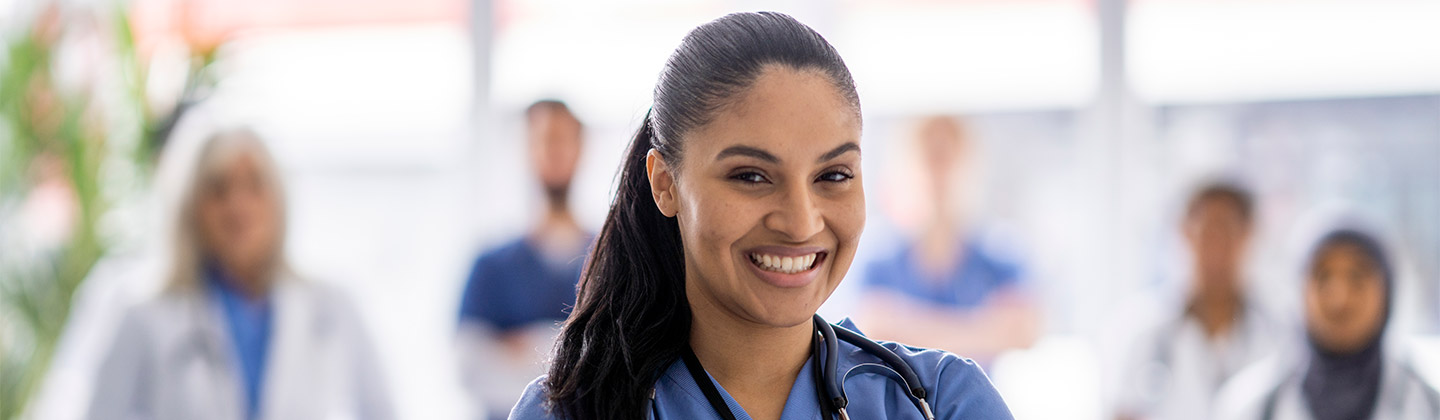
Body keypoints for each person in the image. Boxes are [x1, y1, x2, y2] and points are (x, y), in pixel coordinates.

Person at [508, 12, 1012, 420]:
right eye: (751, 176)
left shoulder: (941, 403)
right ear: (665, 183)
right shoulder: (573, 411)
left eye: (833, 176)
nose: (800, 222)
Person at [86, 128, 394, 420]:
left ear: (278, 200)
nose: (238, 206)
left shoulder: (332, 306)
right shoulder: (143, 314)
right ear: (191, 207)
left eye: (254, 186)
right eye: (218, 190)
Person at [1215, 219, 1440, 420]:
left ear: (1388, 291)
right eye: (1323, 276)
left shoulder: (1429, 405)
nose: (1339, 298)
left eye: (1357, 277)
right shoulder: (1247, 407)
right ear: (1299, 291)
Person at [859, 115, 1040, 364]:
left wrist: (905, 329)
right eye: (929, 158)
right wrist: (984, 330)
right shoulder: (877, 259)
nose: (939, 173)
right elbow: (870, 332)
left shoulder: (1001, 257)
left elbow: (1023, 332)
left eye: (948, 159)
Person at [456, 100, 593, 420]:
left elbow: (625, 366)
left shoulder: (615, 259)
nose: (553, 152)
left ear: (582, 148)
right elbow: (471, 371)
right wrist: (574, 347)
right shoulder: (490, 266)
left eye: (562, 139)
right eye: (543, 140)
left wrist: (521, 345)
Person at [1113, 182, 1279, 420]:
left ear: (1249, 236)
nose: (1217, 246)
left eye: (1228, 231)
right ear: (1185, 233)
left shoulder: (1280, 334)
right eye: (1207, 231)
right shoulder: (1141, 333)